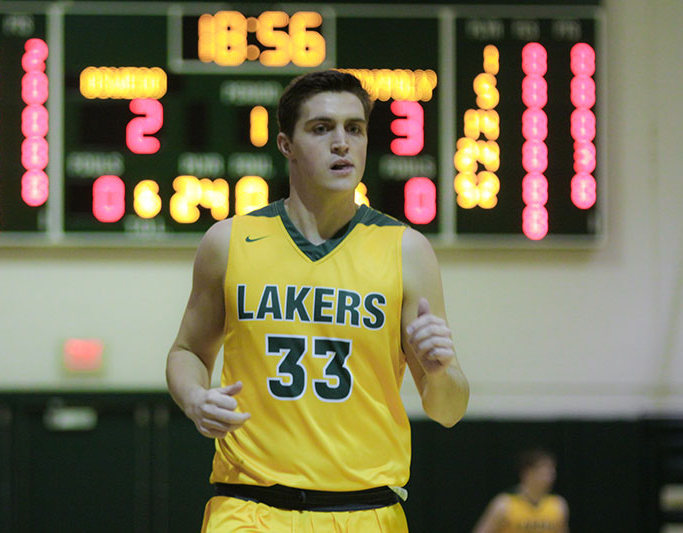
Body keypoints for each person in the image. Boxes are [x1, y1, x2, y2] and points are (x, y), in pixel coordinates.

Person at [166, 70, 469, 532]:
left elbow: (448, 411)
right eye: (322, 128)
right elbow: (187, 351)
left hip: (365, 512)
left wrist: (440, 368)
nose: (342, 143)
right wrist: (194, 399)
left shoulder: (406, 250)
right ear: (286, 144)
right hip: (249, 510)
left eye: (355, 128)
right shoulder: (229, 241)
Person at [472, 448, 569, 533]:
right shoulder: (504, 504)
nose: (551, 475)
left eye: (552, 470)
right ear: (527, 472)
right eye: (545, 470)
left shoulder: (558, 505)